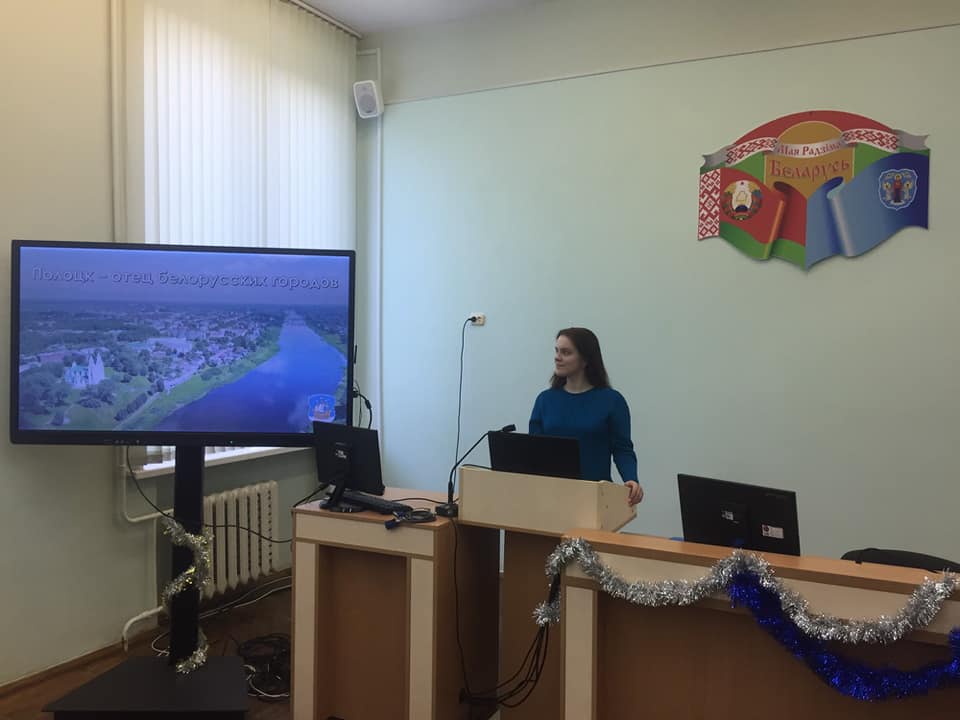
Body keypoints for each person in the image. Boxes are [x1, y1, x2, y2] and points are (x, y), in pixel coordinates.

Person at [529, 327, 643, 506]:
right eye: (557, 351)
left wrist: (631, 479)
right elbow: (534, 451)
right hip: (550, 497)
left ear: (585, 359)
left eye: (566, 352)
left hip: (595, 498)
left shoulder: (612, 401)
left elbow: (622, 448)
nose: (557, 357)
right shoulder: (545, 400)